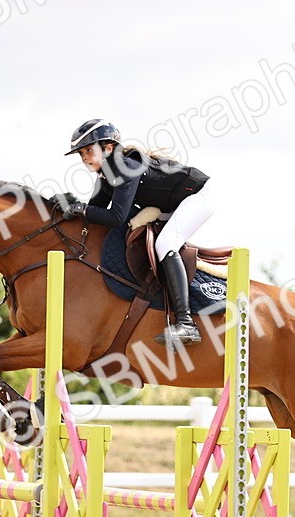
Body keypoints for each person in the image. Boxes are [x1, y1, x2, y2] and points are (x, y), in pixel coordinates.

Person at [61, 119, 213, 348]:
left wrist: (81, 209)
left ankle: (186, 323)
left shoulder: (127, 168)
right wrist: (69, 206)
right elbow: (94, 212)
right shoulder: (107, 174)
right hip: (172, 203)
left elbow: (115, 217)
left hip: (199, 196)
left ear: (108, 147)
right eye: (81, 154)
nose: (84, 158)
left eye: (89, 150)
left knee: (166, 244)